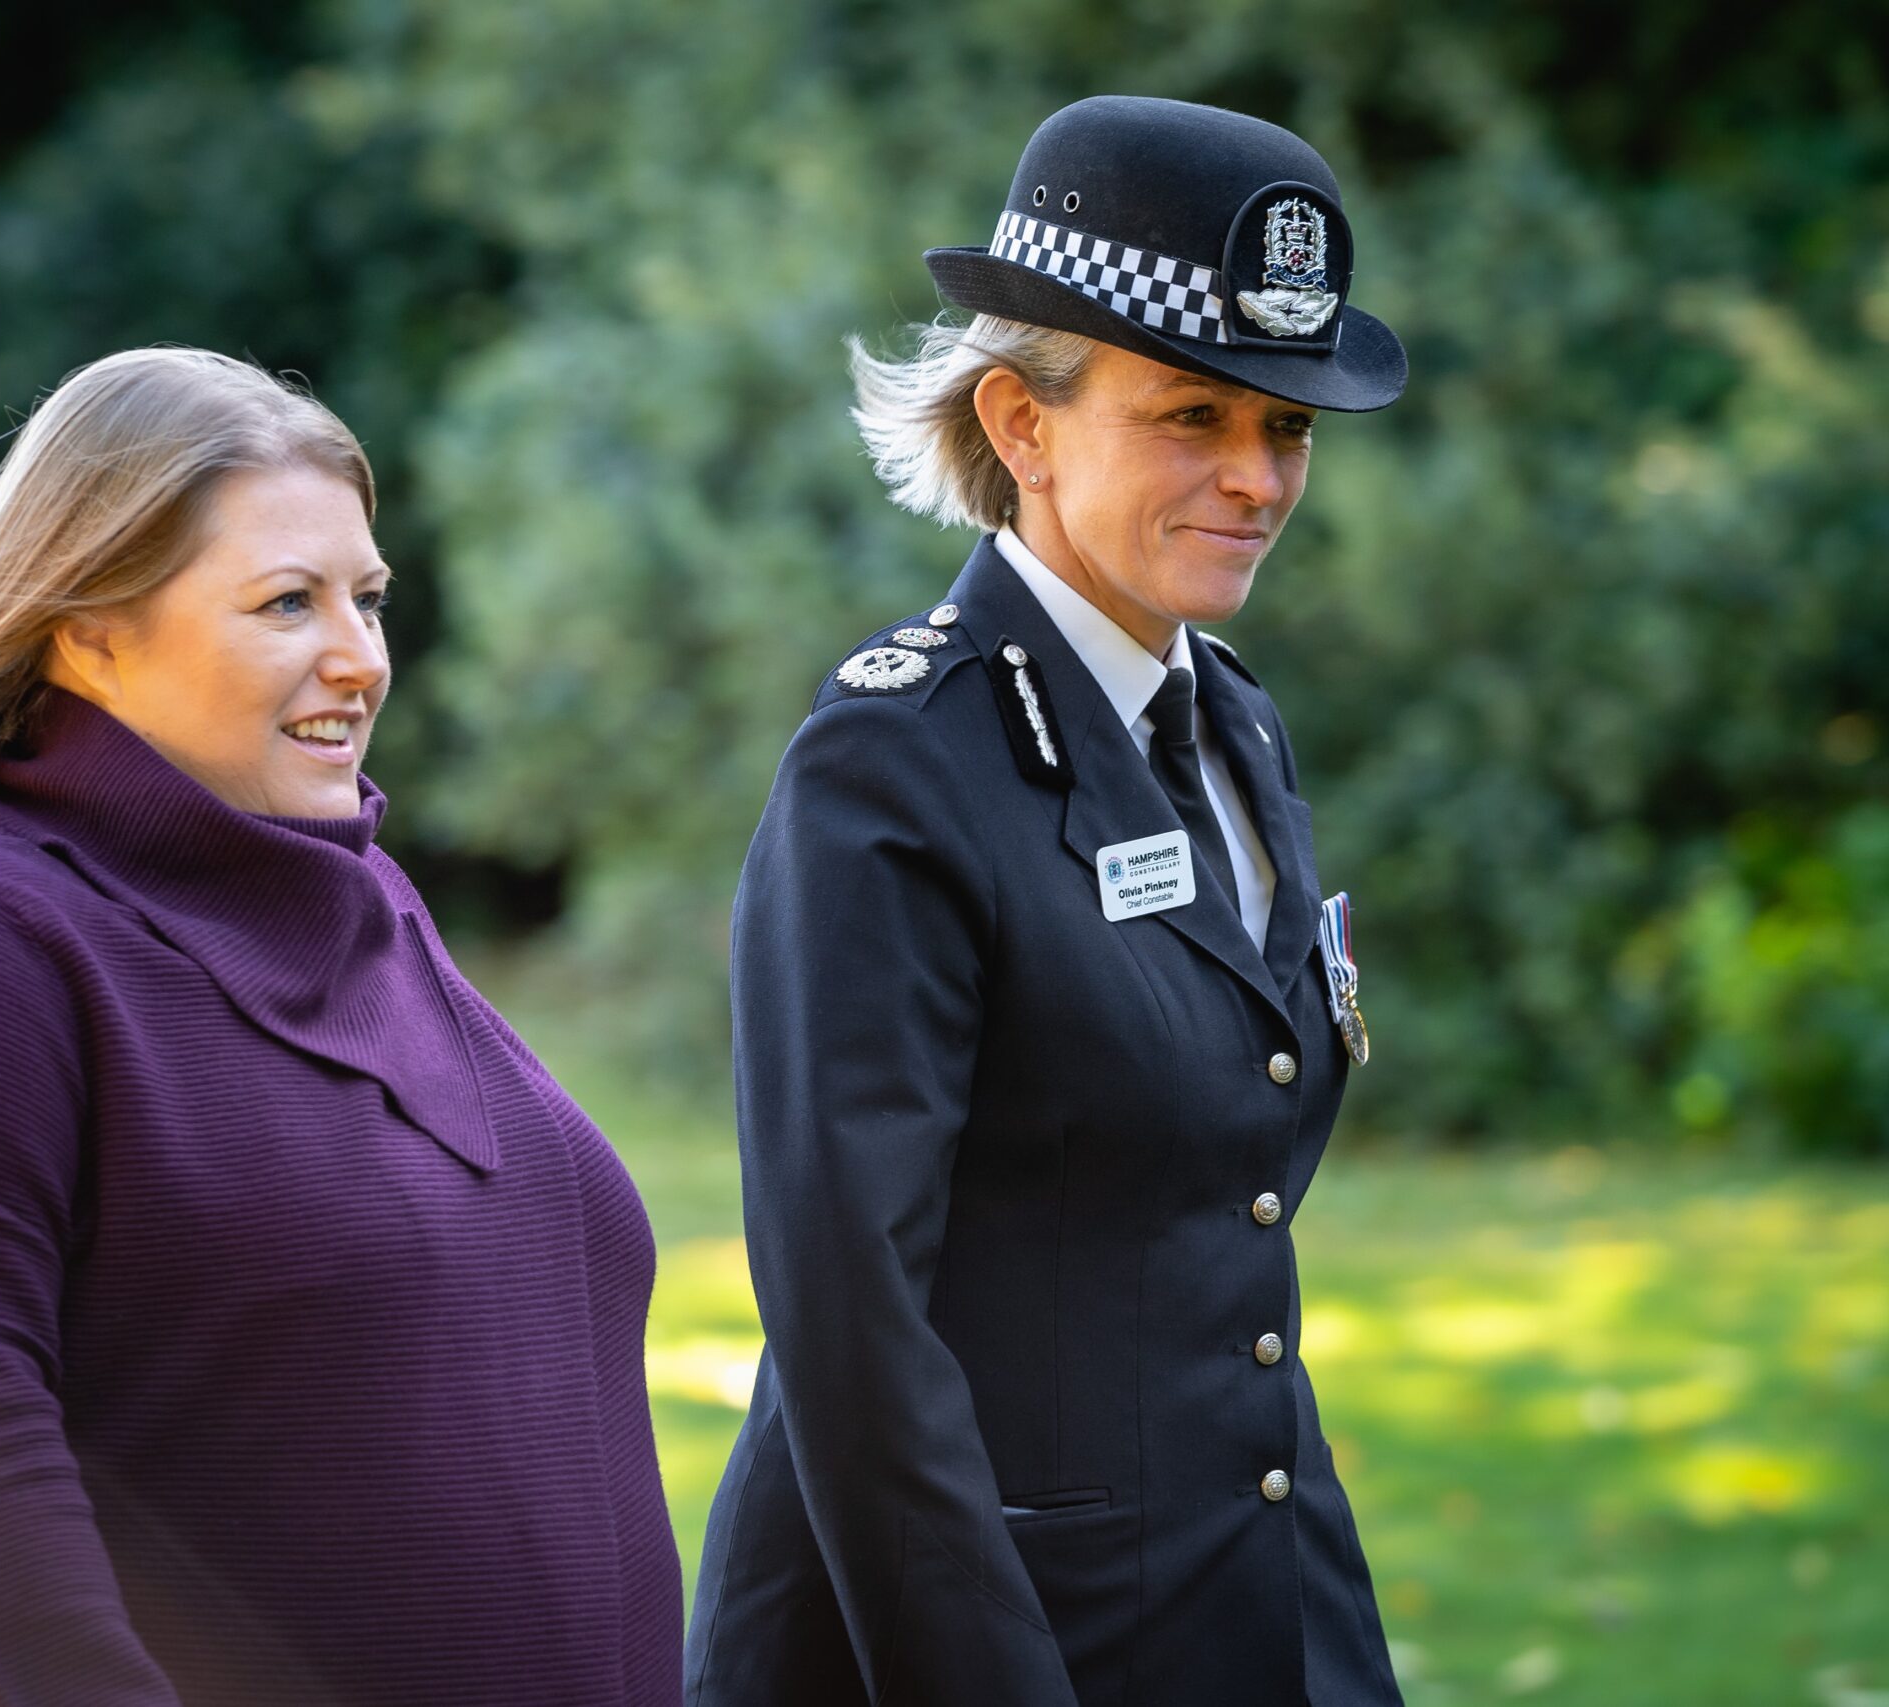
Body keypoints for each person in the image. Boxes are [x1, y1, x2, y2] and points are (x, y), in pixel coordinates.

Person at [0, 347, 683, 1705]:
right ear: (85, 629)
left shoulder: (353, 899)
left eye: (368, 598)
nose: (361, 657)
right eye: (286, 603)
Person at [683, 97, 1408, 1706]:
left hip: (1254, 1609)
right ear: (1021, 424)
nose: (1256, 478)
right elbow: (851, 1326)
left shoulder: (1231, 718)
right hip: (990, 1636)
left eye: (1284, 428)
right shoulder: (894, 764)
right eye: (1192, 418)